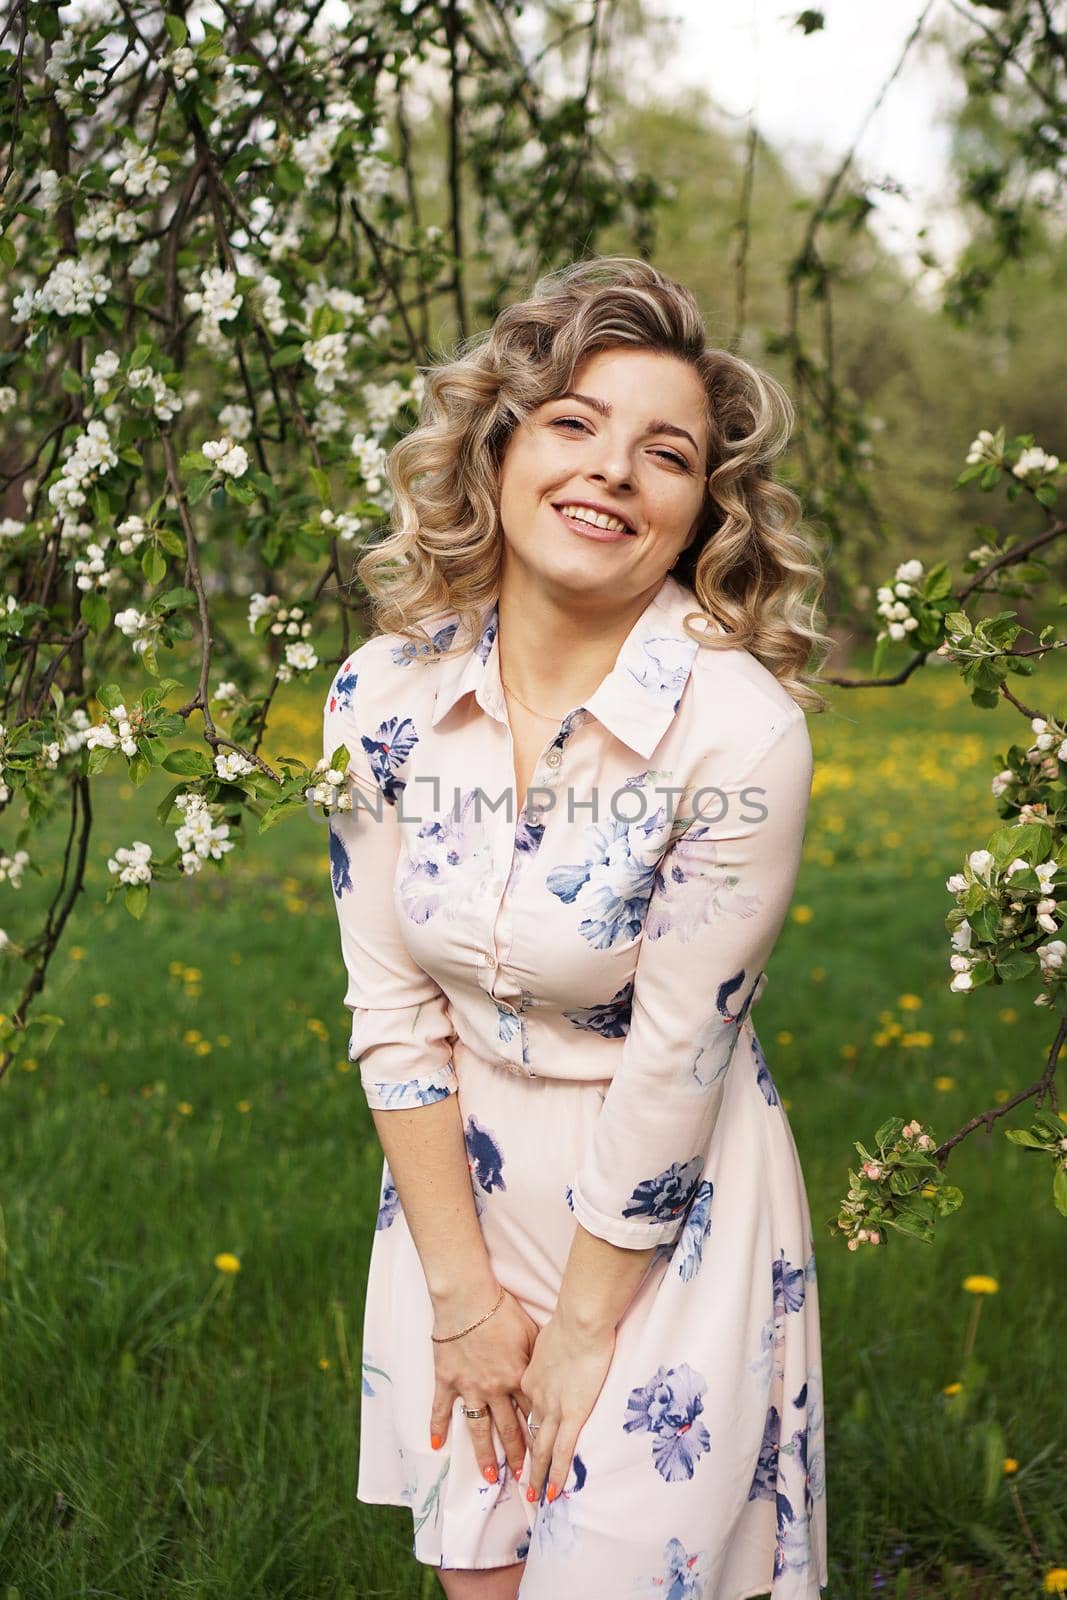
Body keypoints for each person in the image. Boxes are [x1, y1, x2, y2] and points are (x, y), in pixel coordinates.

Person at [320, 256, 831, 1600]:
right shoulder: (379, 690)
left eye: (665, 453)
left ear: (698, 512)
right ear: (498, 451)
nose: (612, 471)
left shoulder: (741, 733)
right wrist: (464, 1296)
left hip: (663, 1216)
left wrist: (580, 1330)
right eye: (572, 424)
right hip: (458, 1201)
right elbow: (389, 1010)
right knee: (481, 1576)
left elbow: (678, 1058)